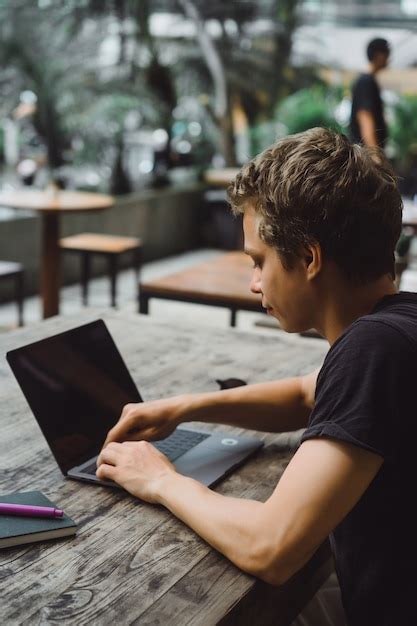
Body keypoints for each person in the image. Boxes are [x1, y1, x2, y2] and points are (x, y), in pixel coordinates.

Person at [96, 128, 417, 626]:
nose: (253, 283)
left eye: (259, 261)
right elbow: (303, 394)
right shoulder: (399, 325)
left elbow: (273, 547)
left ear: (309, 258)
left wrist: (159, 480)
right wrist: (184, 407)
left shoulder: (372, 350)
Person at [350, 37, 390, 149]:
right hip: (365, 153)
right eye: (387, 53)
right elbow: (365, 115)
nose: (389, 58)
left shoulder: (367, 80)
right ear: (379, 55)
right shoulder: (366, 81)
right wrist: (374, 154)